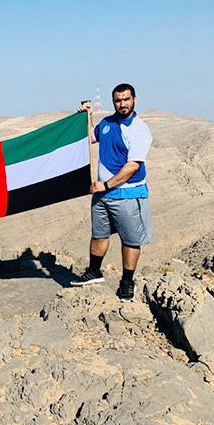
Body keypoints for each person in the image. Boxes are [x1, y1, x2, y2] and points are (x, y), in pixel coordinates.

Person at [71, 83, 153, 301]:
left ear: (135, 99)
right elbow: (89, 138)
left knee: (130, 239)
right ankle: (94, 272)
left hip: (127, 193)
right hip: (102, 194)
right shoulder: (106, 123)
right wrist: (86, 117)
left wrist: (107, 185)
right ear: (113, 102)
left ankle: (127, 282)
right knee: (99, 234)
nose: (122, 104)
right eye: (118, 100)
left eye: (126, 99)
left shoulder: (139, 129)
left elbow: (132, 165)